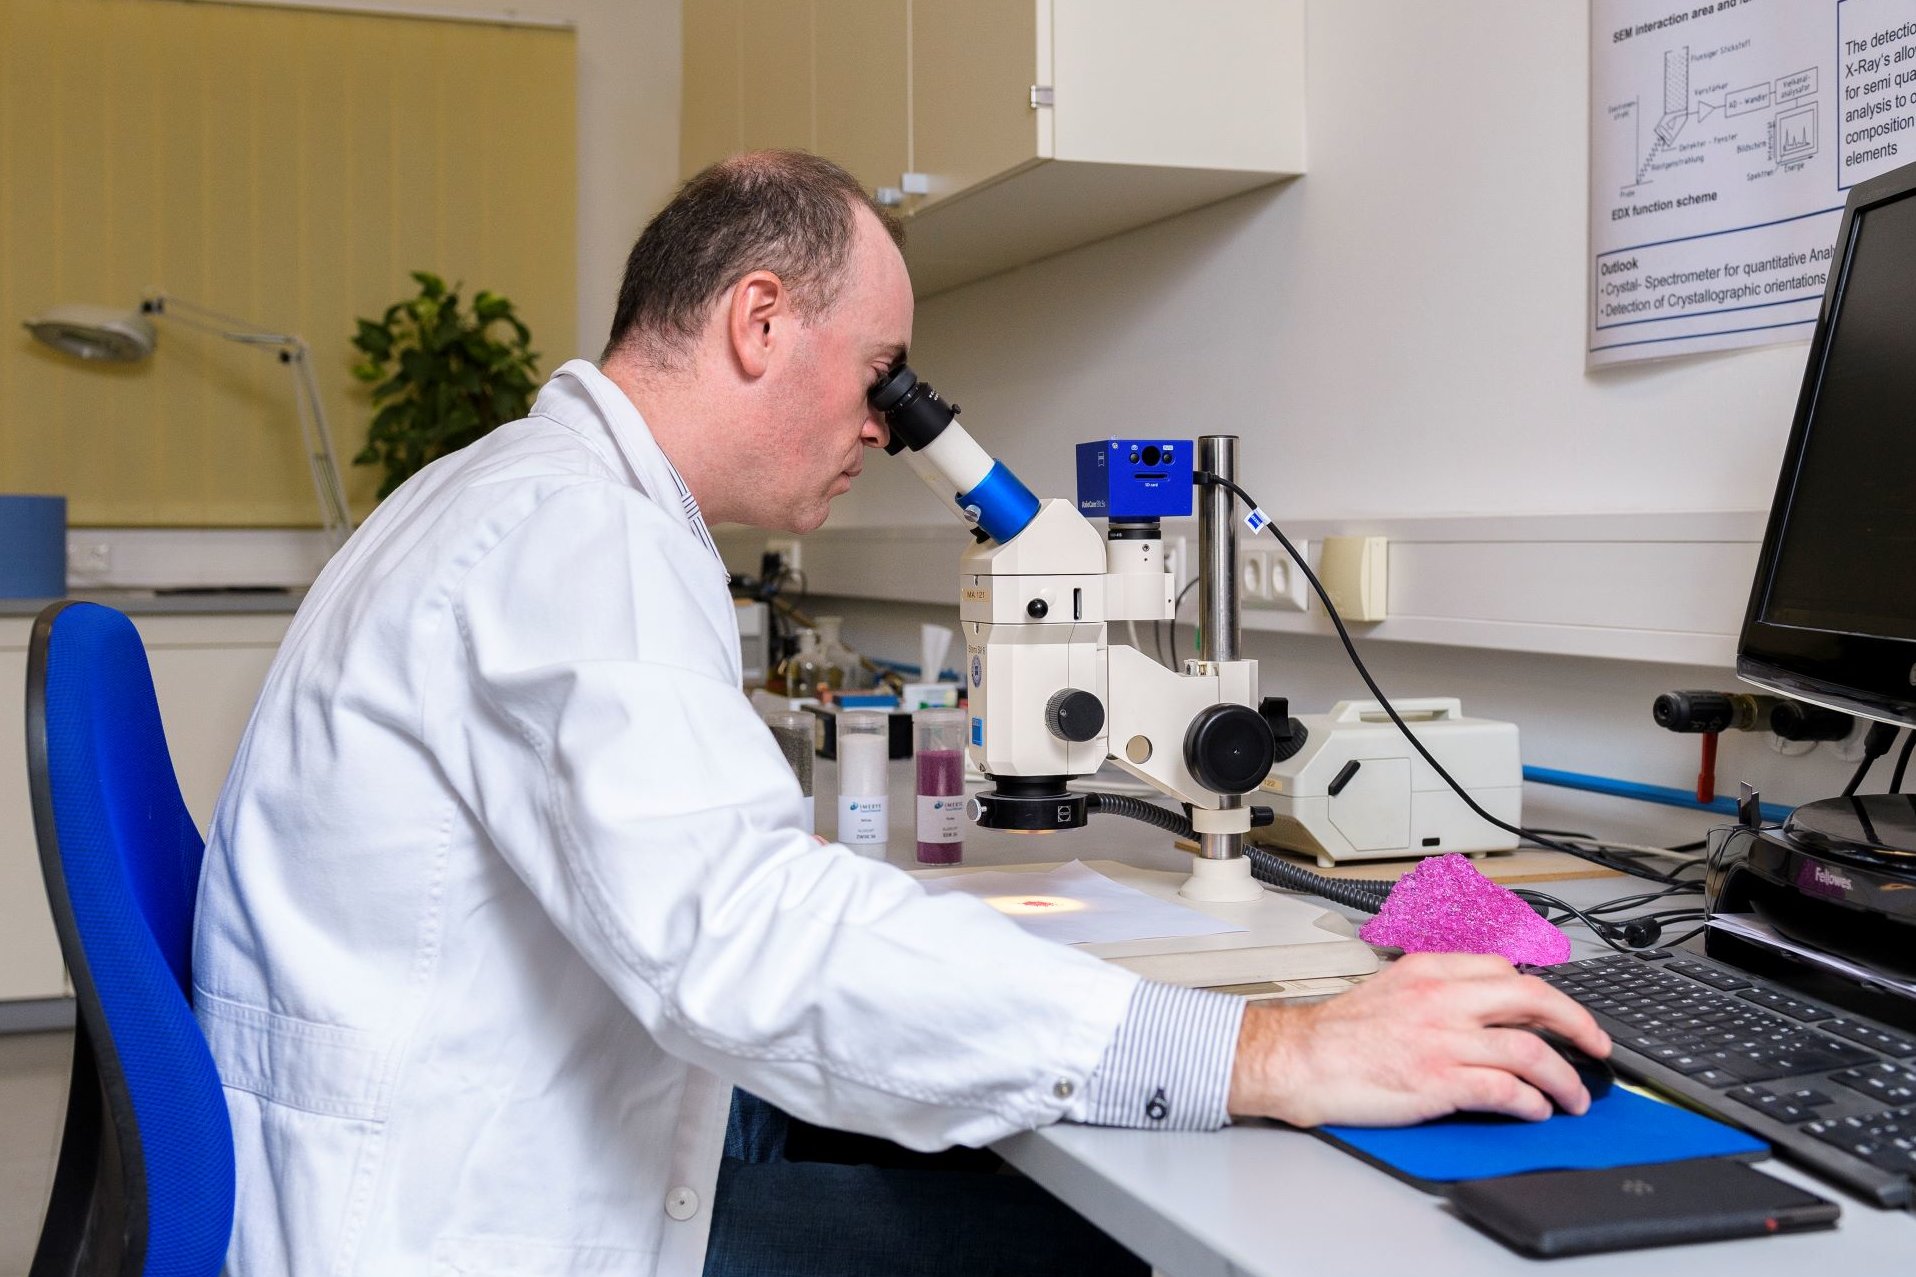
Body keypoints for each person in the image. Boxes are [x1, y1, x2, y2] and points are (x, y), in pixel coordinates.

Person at [192, 150, 1607, 1276]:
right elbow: (747, 941)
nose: (884, 426)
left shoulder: (524, 494)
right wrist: (1269, 1048)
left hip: (459, 1146)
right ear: (758, 321)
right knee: (1108, 1246)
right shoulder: (576, 534)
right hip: (469, 1223)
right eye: (878, 378)